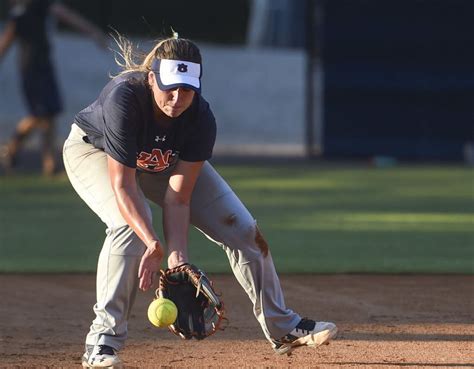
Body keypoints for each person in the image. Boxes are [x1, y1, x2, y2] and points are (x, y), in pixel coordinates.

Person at [62, 33, 337, 368]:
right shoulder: (125, 100)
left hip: (161, 160)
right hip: (94, 153)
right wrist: (152, 242)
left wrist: (177, 259)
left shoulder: (200, 119)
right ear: (152, 79)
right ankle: (101, 344)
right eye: (170, 87)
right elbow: (124, 185)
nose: (178, 98)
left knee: (243, 229)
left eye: (187, 89)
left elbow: (178, 198)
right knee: (129, 229)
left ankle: (283, 327)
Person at [0, 0, 107, 175]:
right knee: (39, 115)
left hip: (42, 67)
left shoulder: (32, 7)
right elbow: (5, 43)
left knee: (50, 115)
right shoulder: (23, 12)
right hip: (31, 70)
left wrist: (93, 32)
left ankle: (49, 164)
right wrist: (94, 32)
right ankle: (12, 147)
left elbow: (67, 15)